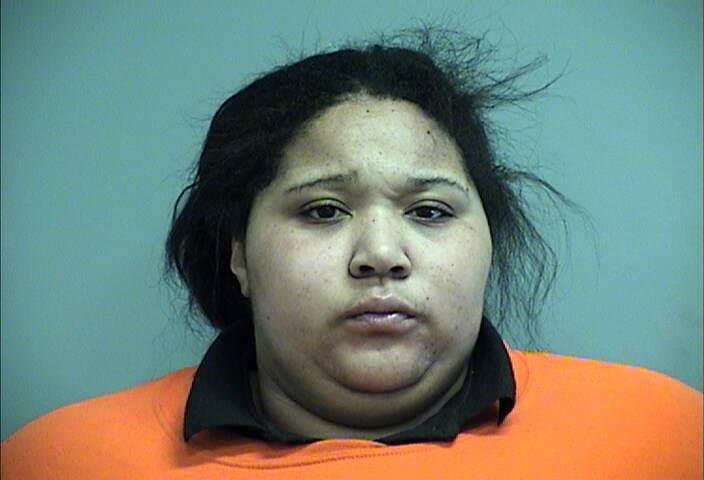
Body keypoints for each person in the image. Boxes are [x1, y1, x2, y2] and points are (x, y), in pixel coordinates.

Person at [2, 28, 701, 479]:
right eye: (323, 211)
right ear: (239, 253)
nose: (381, 255)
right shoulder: (58, 460)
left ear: (488, 240)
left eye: (429, 211)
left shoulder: (663, 433)